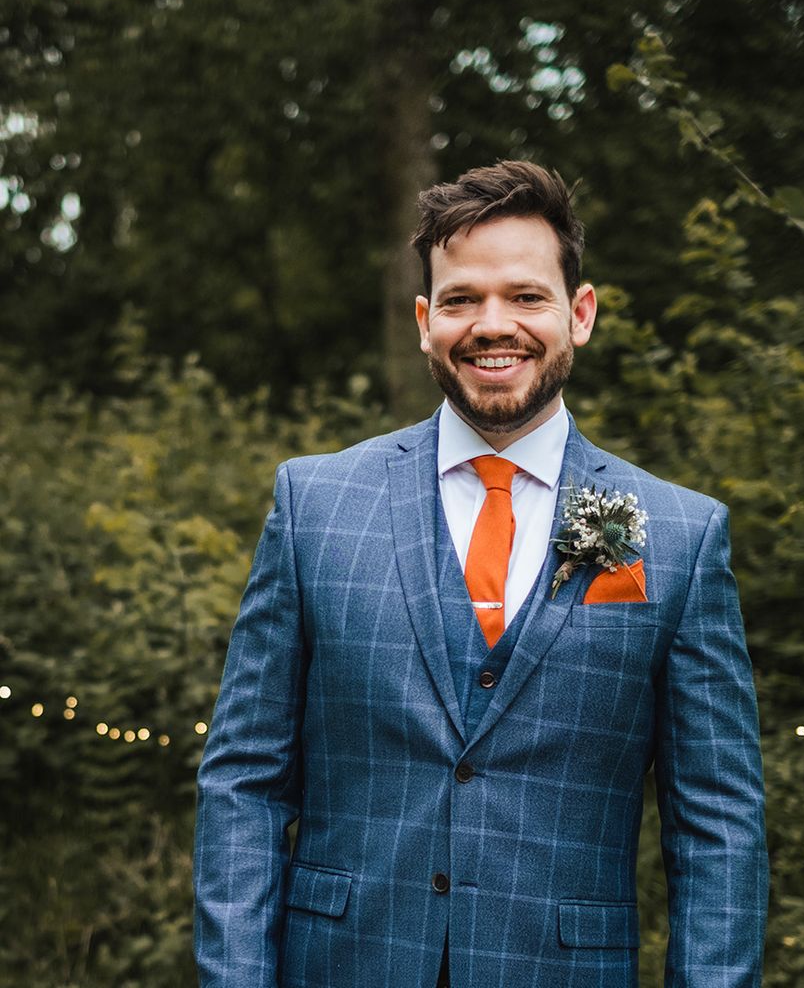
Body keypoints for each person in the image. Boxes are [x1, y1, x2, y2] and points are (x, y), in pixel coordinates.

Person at [193, 160, 768, 988]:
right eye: (461, 299)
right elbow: (244, 781)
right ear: (426, 322)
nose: (492, 324)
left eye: (526, 297)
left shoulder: (677, 534)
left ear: (581, 314)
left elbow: (718, 826)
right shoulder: (313, 504)